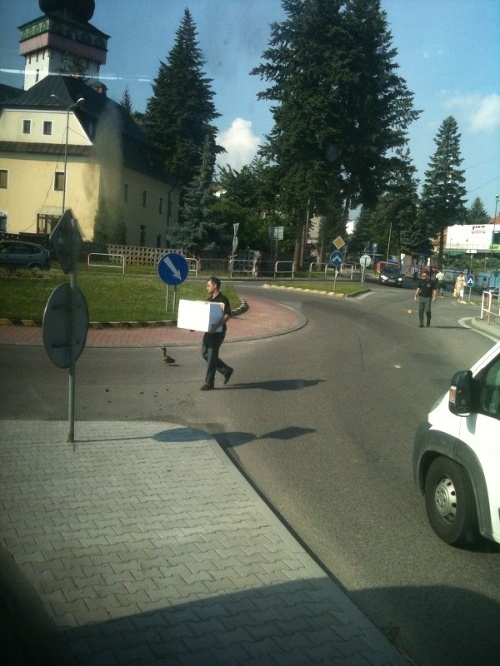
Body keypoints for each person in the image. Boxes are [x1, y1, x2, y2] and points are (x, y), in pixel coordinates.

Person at [200, 277, 234, 391]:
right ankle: (226, 370)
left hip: (218, 332)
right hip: (209, 331)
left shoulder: (223, 299)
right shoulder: (209, 299)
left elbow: (227, 316)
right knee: (204, 353)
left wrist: (217, 326)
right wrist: (194, 326)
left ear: (215, 286)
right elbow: (204, 316)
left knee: (211, 357)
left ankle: (209, 382)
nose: (207, 287)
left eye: (208, 285)